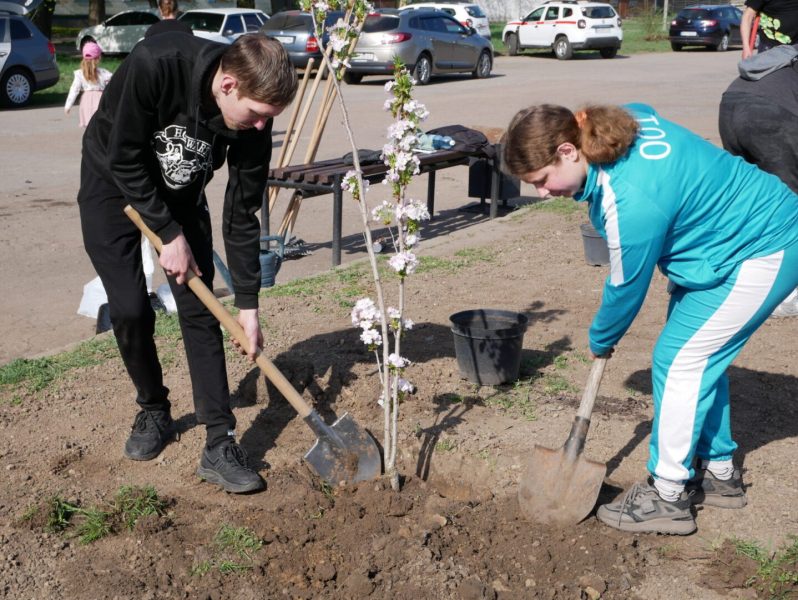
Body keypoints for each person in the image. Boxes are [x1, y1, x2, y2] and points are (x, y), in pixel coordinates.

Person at [502, 103, 798, 534]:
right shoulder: (624, 121)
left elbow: (626, 289)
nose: (543, 192)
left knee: (680, 362)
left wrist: (601, 337)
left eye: (543, 180)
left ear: (568, 150)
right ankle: (718, 474)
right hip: (722, 248)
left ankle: (668, 496)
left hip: (762, 246)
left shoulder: (630, 201)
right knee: (697, 361)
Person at [78, 33, 297, 494]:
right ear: (228, 84)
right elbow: (124, 155)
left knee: (199, 309)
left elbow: (242, 211)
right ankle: (154, 408)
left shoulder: (255, 124)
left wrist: (249, 305)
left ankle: (220, 442)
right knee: (130, 308)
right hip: (112, 179)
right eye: (257, 114)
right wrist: (167, 234)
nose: (261, 127)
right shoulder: (156, 64)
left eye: (269, 120)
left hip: (179, 195)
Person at [719, 44, 798, 317]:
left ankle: (737, 274)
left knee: (750, 197)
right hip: (771, 116)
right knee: (790, 202)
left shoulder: (782, 57)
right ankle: (787, 294)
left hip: (730, 105)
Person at [64, 41, 113, 128]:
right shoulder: (104, 73)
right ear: (99, 58)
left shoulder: (79, 74)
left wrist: (68, 105)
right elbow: (113, 86)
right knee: (100, 126)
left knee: (89, 127)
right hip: (100, 100)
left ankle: (90, 140)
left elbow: (74, 90)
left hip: (86, 101)